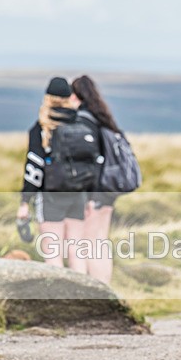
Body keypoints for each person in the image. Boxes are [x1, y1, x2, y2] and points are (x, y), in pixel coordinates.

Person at [17, 77, 98, 273]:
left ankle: (60, 301)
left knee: (53, 254)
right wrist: (90, 197)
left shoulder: (42, 128)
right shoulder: (82, 124)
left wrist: (25, 202)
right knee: (76, 251)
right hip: (78, 194)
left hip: (51, 195)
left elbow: (34, 168)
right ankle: (83, 298)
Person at [71, 75, 123, 284]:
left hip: (95, 191)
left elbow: (89, 164)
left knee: (89, 242)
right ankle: (105, 290)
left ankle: (95, 292)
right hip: (110, 190)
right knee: (101, 241)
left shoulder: (84, 121)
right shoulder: (104, 119)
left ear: (78, 95)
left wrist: (86, 196)